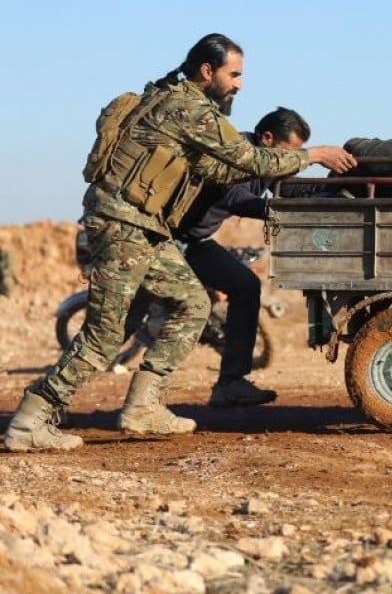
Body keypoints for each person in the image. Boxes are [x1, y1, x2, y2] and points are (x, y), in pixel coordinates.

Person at [4, 33, 356, 452]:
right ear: (207, 71)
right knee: (104, 337)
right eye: (234, 74)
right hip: (123, 227)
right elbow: (249, 162)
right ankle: (31, 419)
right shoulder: (188, 108)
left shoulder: (178, 102)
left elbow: (224, 171)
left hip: (143, 230)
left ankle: (143, 406)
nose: (239, 84)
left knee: (193, 303)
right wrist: (313, 156)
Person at [174, 107, 311, 409]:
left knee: (245, 286)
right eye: (288, 154)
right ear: (267, 139)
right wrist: (277, 212)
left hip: (195, 243)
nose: (291, 164)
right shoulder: (236, 152)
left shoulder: (268, 166)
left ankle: (230, 384)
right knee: (122, 324)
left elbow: (289, 191)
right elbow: (234, 199)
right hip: (166, 243)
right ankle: (51, 400)